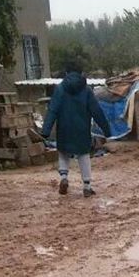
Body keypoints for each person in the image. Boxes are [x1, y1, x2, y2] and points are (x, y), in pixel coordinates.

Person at [41, 62, 111, 197]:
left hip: (64, 128)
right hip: (82, 129)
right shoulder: (87, 90)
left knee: (63, 153)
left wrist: (45, 131)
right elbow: (96, 111)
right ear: (81, 73)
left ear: (66, 73)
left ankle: (64, 177)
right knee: (83, 155)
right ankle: (87, 186)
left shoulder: (60, 89)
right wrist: (106, 130)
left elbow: (52, 110)